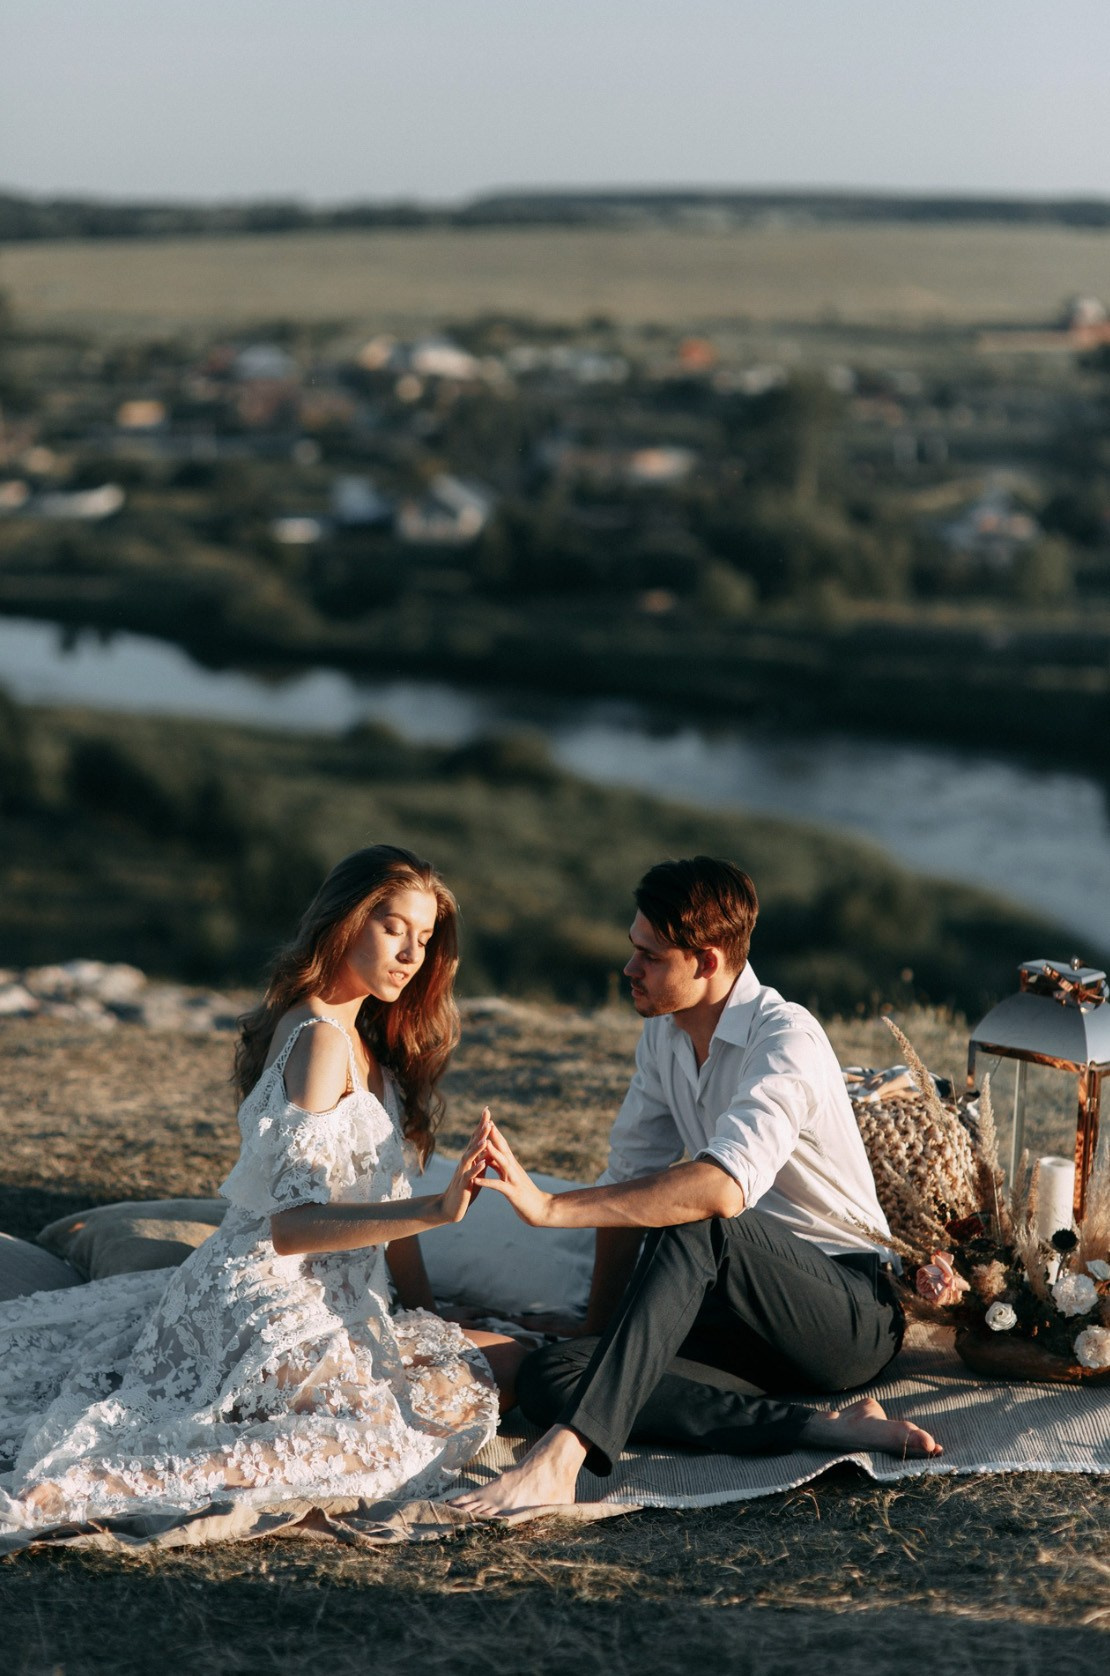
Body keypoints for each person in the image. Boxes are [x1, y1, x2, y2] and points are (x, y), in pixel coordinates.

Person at [0, 844, 524, 1552]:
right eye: (393, 927)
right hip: (265, 1291)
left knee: (469, 1385)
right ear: (345, 922)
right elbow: (291, 1228)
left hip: (341, 1297)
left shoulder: (370, 1044)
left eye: (425, 939)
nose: (411, 953)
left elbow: (384, 1222)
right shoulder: (317, 1039)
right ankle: (90, 1483)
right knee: (384, 1447)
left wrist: (425, 1305)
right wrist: (437, 1208)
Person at [456, 855, 941, 1518]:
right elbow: (628, 1180)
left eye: (650, 957)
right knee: (556, 1374)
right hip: (738, 1315)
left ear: (708, 961)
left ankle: (563, 1461)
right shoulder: (663, 1037)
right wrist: (599, 1327)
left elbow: (720, 1192)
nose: (630, 969)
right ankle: (828, 1429)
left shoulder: (786, 1038)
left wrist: (548, 1208)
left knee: (697, 1215)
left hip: (845, 1313)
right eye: (634, 949)